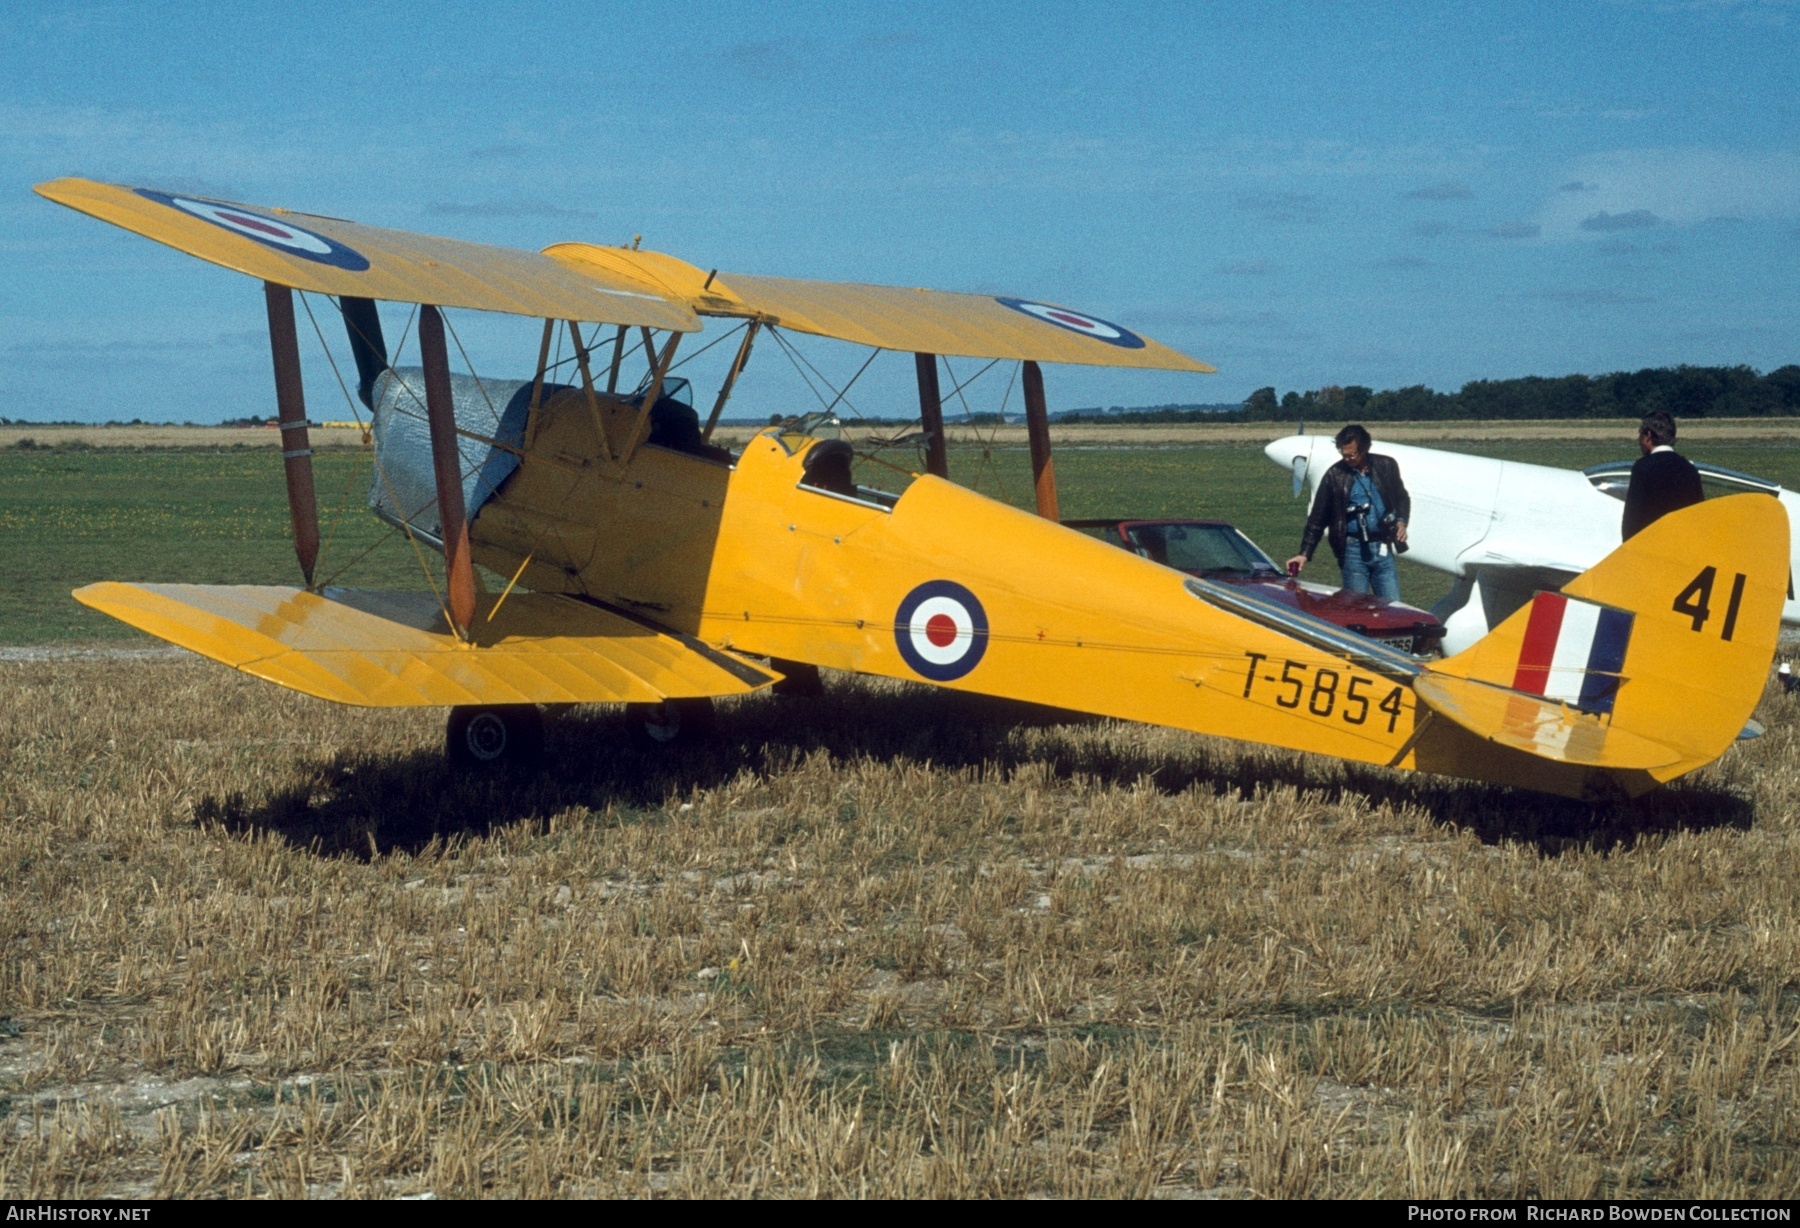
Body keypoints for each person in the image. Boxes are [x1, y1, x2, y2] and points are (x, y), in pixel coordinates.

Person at [1286, 423, 1410, 600]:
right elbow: (1317, 519)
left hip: (1383, 548)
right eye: (1344, 454)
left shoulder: (1387, 466)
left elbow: (1402, 498)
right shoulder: (1334, 475)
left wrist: (1401, 522)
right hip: (1352, 551)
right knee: (1356, 609)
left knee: (1394, 608)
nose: (1347, 459)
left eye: (1352, 455)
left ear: (1365, 448)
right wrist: (1304, 553)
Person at [1621, 410, 1704, 540]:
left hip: (1652, 546)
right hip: (1682, 545)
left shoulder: (1643, 468)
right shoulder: (1690, 469)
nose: (1638, 440)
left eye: (1640, 434)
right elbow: (1698, 515)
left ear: (1648, 436)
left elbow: (1632, 520)